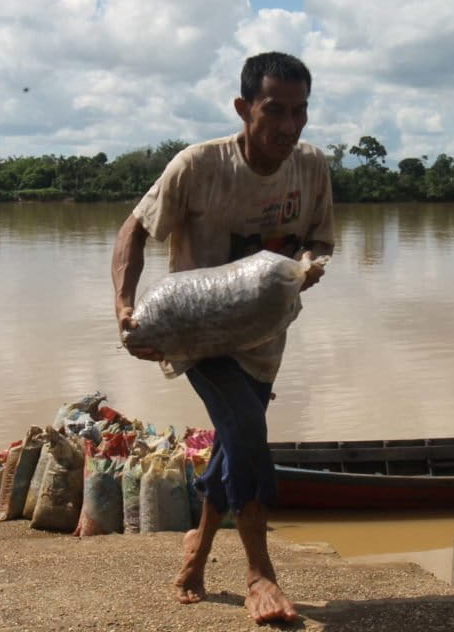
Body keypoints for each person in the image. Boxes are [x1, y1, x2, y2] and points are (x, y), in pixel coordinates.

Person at [111, 51, 335, 624]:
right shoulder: (198, 166)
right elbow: (133, 231)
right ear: (243, 108)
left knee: (235, 440)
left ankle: (197, 553)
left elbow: (320, 241)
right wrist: (125, 307)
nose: (289, 126)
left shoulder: (311, 167)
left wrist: (309, 264)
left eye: (300, 111)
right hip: (198, 334)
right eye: (274, 110)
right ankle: (260, 574)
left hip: (264, 337)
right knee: (247, 429)